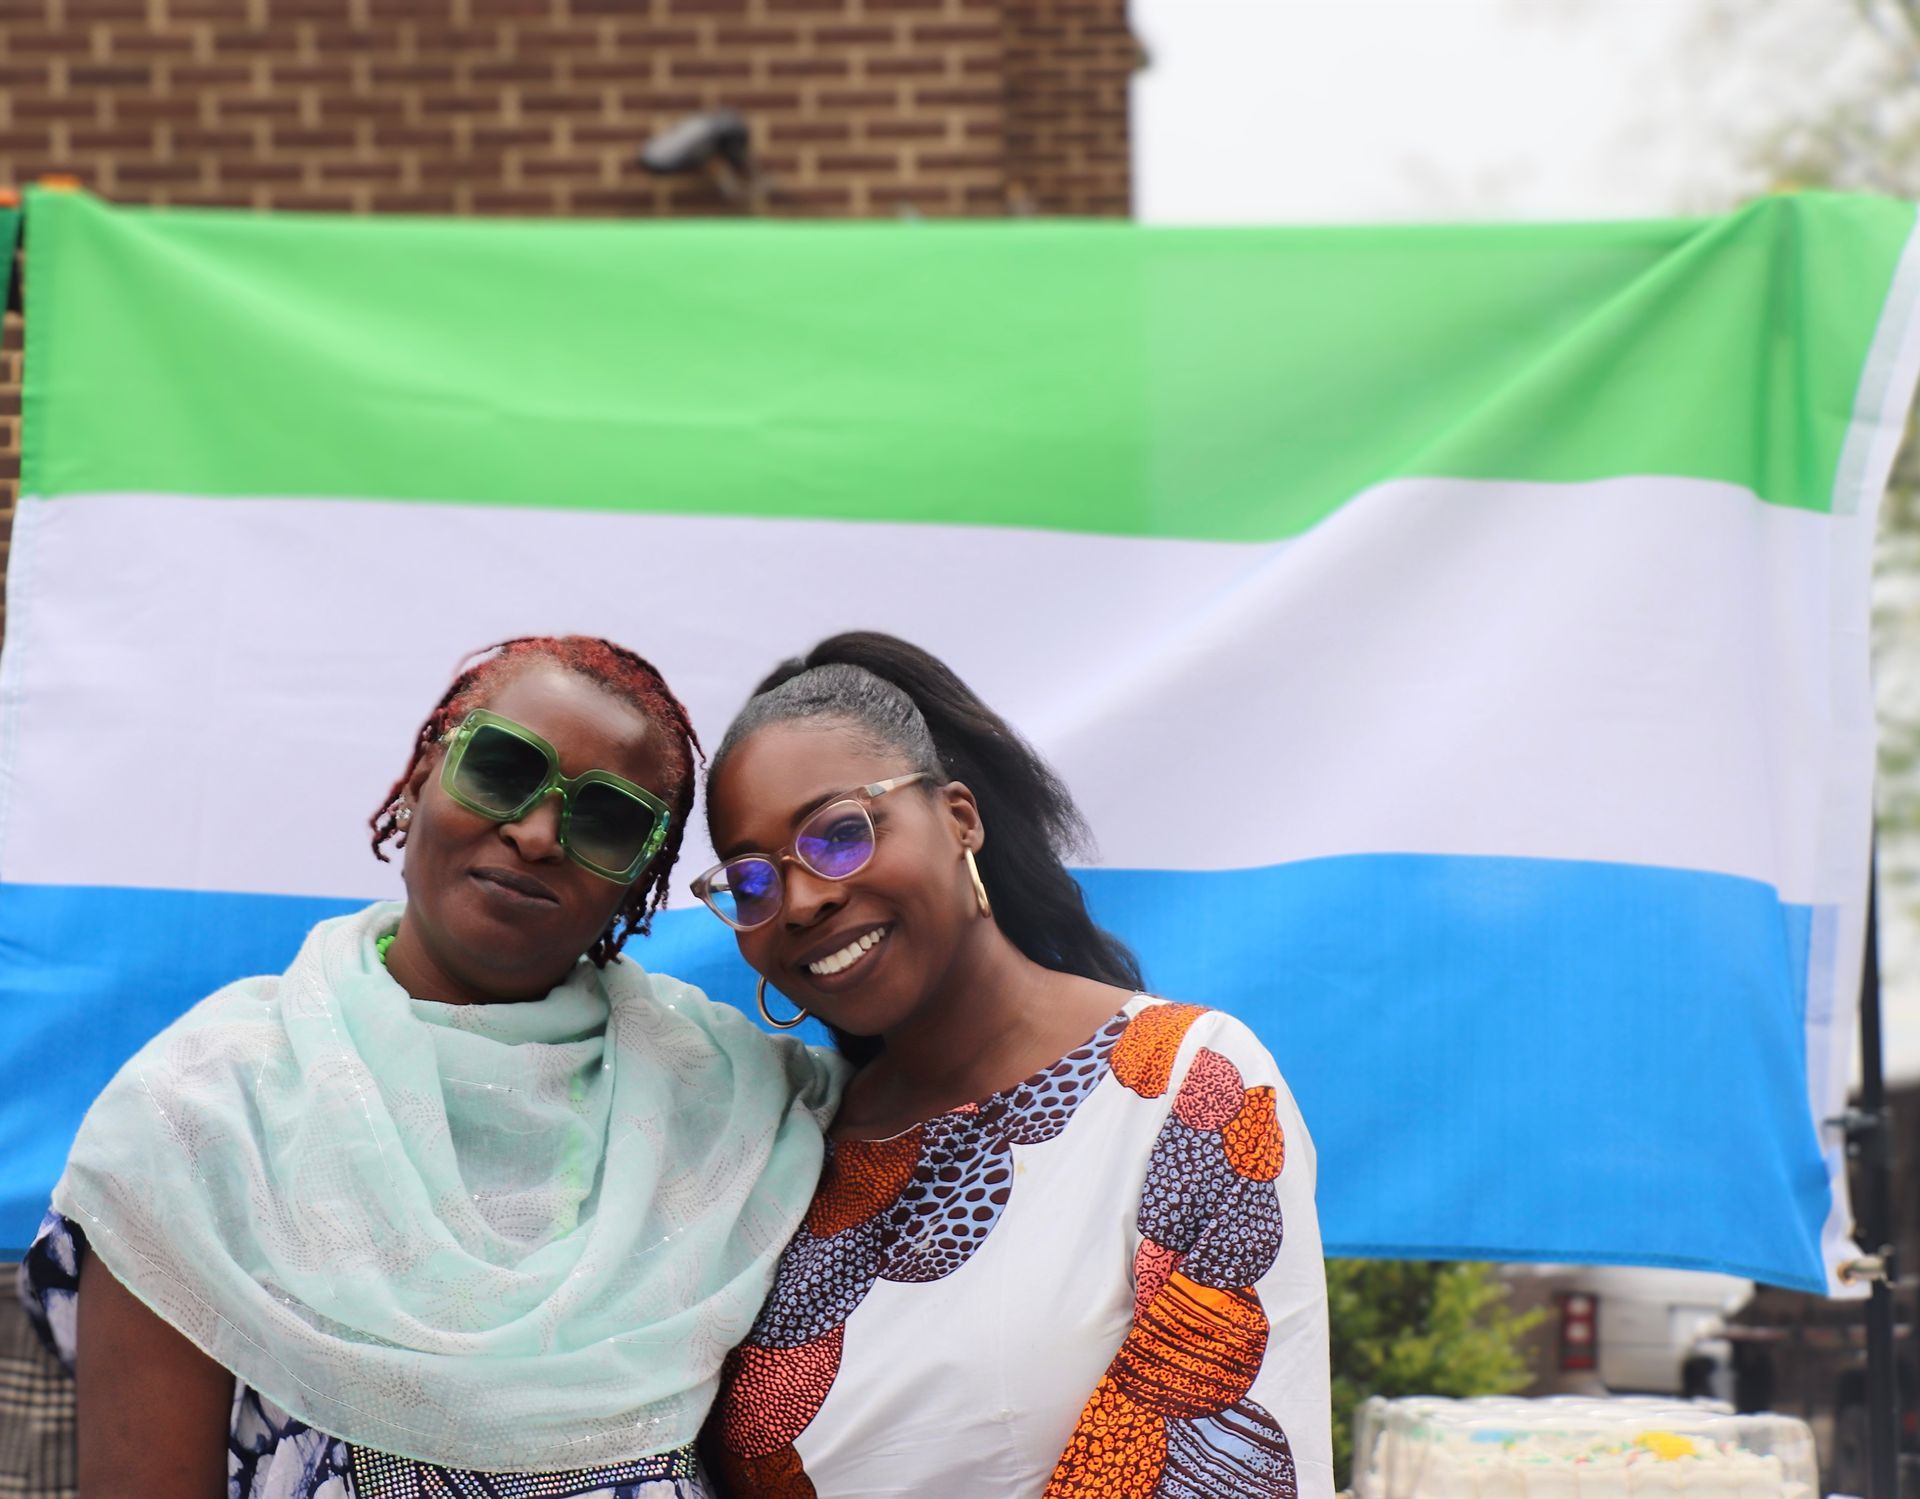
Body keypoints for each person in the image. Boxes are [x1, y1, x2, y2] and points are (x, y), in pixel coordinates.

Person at [17, 635, 843, 1498]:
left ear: (639, 882)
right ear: (421, 780)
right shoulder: (202, 1109)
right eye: (499, 769)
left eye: (605, 821)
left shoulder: (733, 1098)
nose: (533, 834)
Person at [695, 632, 1332, 1498]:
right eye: (755, 880)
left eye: (839, 834)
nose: (803, 898)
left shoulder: (1187, 1085)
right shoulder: (780, 1152)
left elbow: (1214, 1466)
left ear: (959, 817)